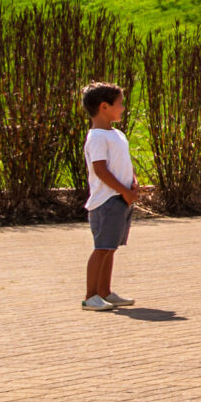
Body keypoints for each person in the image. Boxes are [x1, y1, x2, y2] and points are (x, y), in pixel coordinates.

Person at [81, 81, 145, 311]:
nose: (122, 108)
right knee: (101, 248)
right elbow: (100, 170)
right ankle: (90, 296)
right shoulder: (97, 137)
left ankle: (105, 292)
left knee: (110, 248)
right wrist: (124, 191)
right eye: (119, 104)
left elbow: (125, 164)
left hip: (121, 199)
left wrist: (133, 183)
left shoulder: (117, 134)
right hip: (107, 202)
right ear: (104, 107)